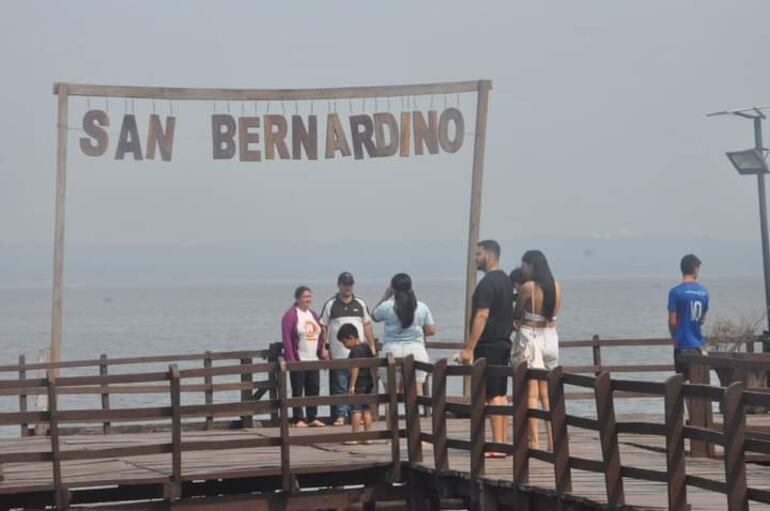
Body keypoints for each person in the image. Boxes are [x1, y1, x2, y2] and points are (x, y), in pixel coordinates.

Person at [460, 240, 514, 458]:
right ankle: (500, 442)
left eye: (478, 254)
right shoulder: (506, 281)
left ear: (490, 255)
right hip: (503, 342)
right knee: (500, 394)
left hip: (489, 344)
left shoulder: (487, 284)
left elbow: (482, 315)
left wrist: (469, 348)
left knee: (492, 395)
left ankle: (497, 445)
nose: (475, 259)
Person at [513, 250, 561, 450]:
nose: (523, 268)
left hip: (531, 337)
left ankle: (534, 441)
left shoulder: (528, 287)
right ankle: (552, 440)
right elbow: (555, 314)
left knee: (530, 394)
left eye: (524, 264)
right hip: (550, 337)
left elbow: (517, 313)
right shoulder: (557, 286)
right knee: (547, 394)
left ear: (531, 265)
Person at [319, 272, 375, 426]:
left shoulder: (360, 303)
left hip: (358, 353)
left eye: (350, 284)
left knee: (358, 384)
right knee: (340, 384)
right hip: (339, 352)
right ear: (339, 285)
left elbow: (367, 325)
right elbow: (324, 326)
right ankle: (340, 415)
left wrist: (371, 345)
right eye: (344, 284)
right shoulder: (331, 304)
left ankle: (355, 415)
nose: (347, 287)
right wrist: (324, 347)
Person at [372, 273, 436, 393]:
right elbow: (431, 330)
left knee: (392, 397)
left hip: (391, 352)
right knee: (415, 396)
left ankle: (393, 412)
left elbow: (374, 316)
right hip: (416, 352)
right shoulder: (421, 307)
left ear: (393, 288)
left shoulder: (387, 307)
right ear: (410, 287)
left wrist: (386, 296)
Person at [280, 286, 327, 428]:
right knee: (298, 390)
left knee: (313, 388)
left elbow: (320, 333)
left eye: (310, 297)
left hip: (313, 358)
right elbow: (287, 338)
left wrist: (321, 350)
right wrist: (291, 360)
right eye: (305, 297)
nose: (308, 299)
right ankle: (298, 418)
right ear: (298, 298)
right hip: (298, 358)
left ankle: (312, 416)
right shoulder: (291, 315)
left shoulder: (313, 314)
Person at [668, 254, 709, 381]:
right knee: (700, 385)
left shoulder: (675, 292)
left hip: (682, 345)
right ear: (696, 269)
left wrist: (675, 337)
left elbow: (672, 322)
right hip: (700, 346)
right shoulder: (704, 292)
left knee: (683, 385)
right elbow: (702, 320)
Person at [338, 323, 375, 445]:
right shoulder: (366, 347)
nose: (344, 345)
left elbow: (355, 368)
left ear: (351, 338)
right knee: (366, 409)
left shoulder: (355, 351)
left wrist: (352, 385)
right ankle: (368, 436)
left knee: (356, 410)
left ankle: (354, 436)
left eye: (344, 342)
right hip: (368, 381)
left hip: (359, 383)